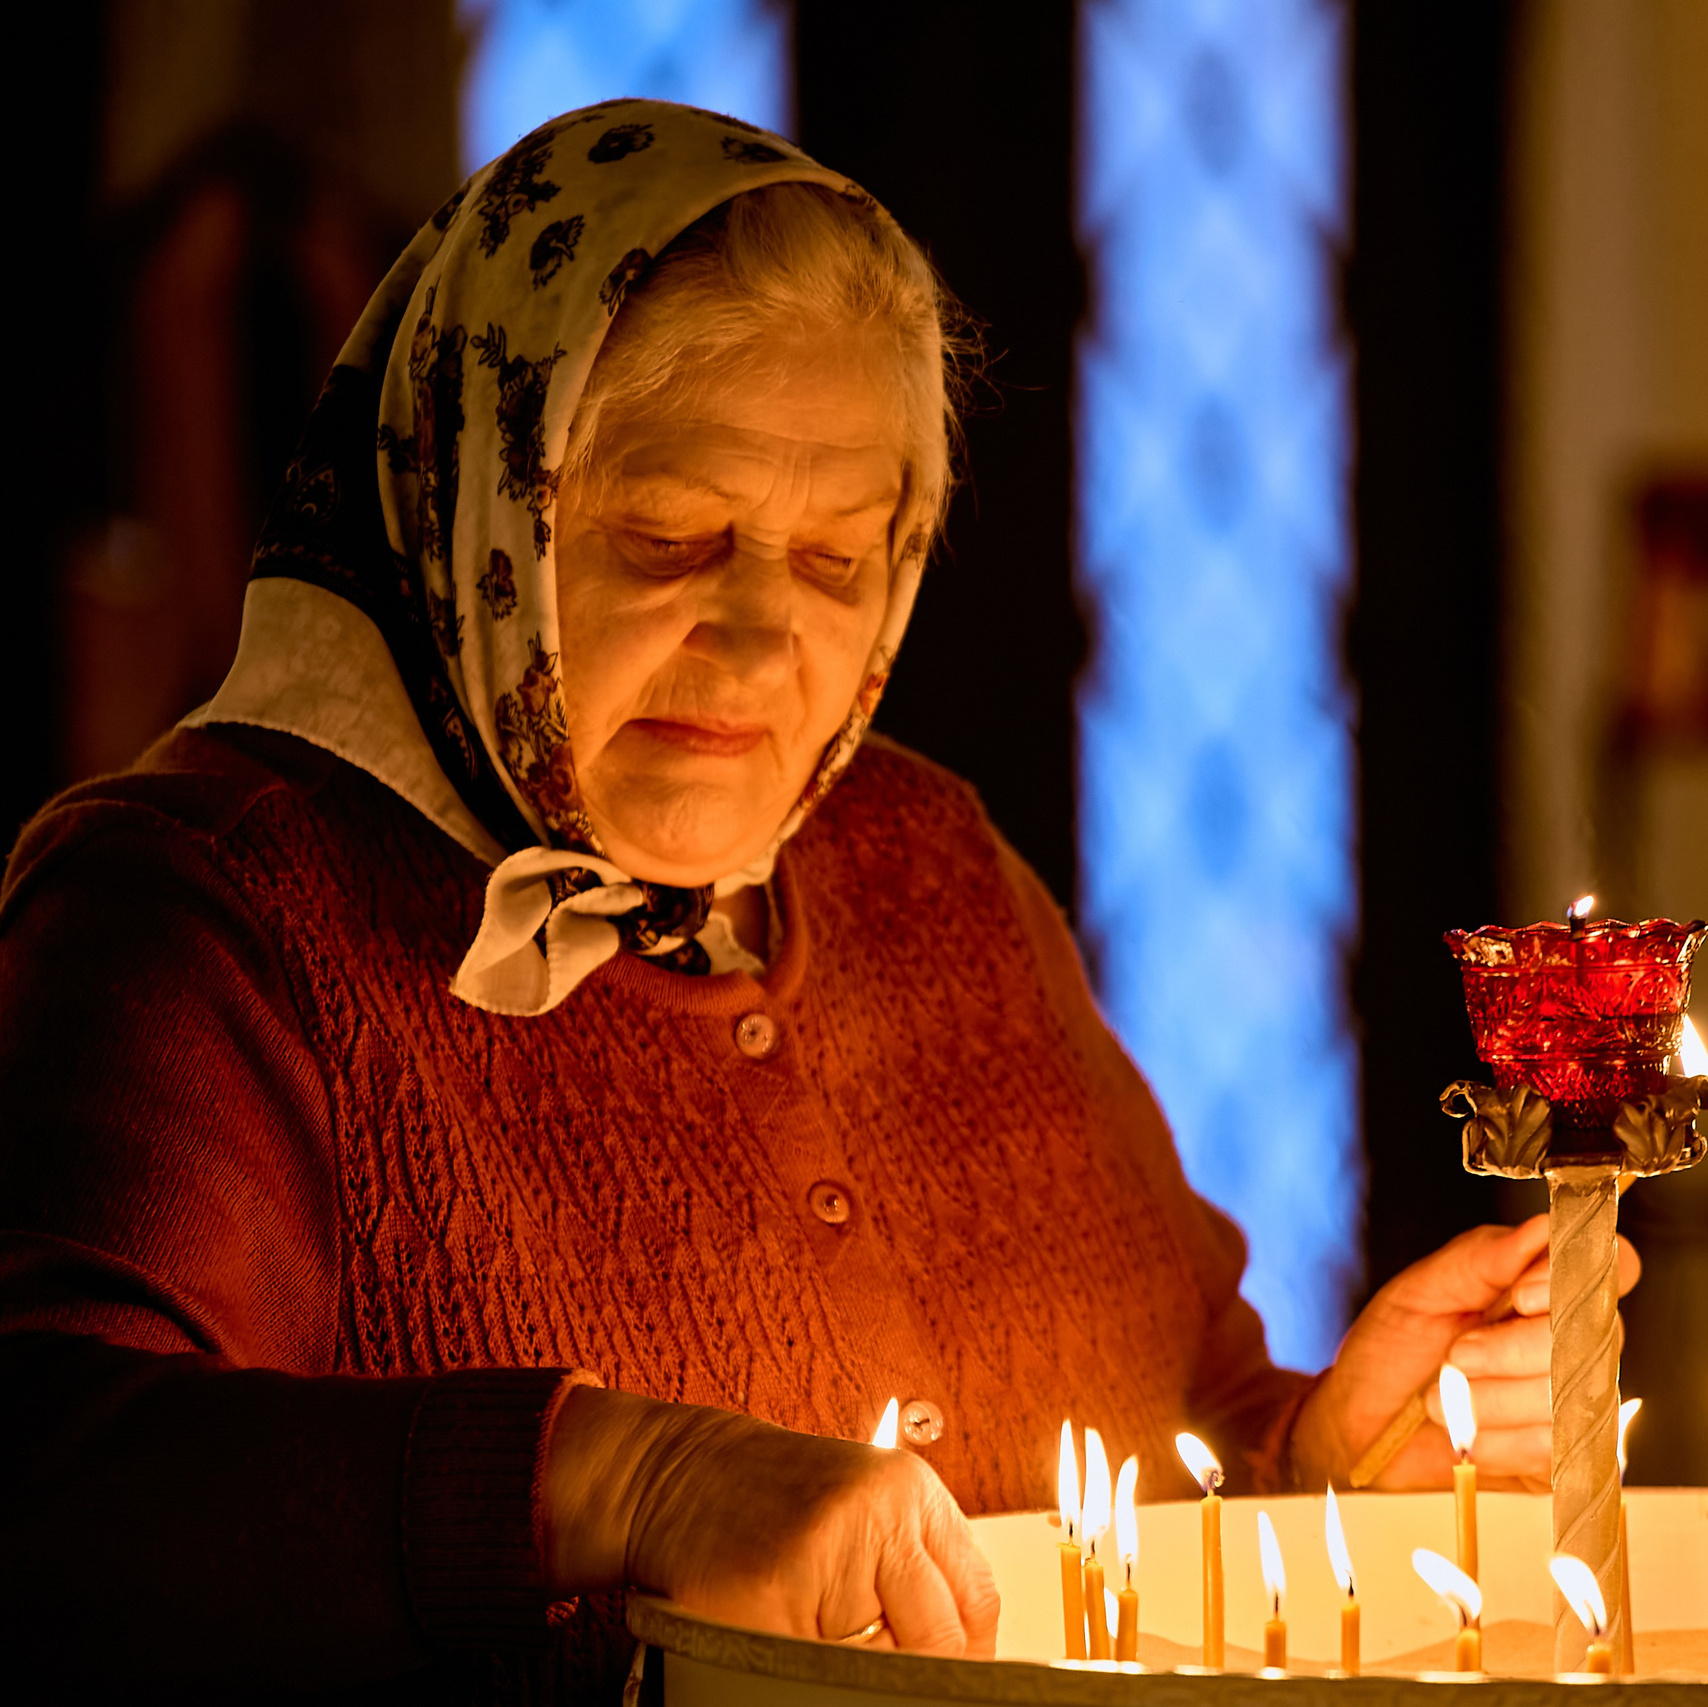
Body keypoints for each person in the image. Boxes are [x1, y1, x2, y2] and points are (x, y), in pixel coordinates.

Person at [0, 101, 1634, 1702]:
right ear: (471, 499)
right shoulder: (211, 900)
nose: (765, 639)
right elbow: (55, 1494)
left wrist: (1318, 1458)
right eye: (668, 538)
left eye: (841, 558)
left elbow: (1166, 1410)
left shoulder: (923, 858)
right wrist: (614, 1481)